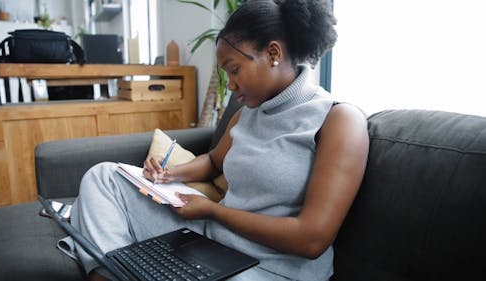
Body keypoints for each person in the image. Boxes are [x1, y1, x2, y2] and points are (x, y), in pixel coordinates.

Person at [70, 0, 369, 280]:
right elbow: (213, 162)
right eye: (226, 75)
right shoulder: (248, 113)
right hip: (213, 242)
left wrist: (214, 210)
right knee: (104, 178)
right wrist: (169, 173)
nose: (231, 86)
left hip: (274, 268)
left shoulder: (338, 120)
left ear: (274, 54)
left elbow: (311, 239)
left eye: (235, 70)